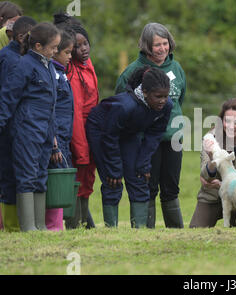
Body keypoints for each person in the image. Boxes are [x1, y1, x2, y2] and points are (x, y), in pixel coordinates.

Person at [115, 23, 186, 229]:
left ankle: (176, 231)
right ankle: (146, 231)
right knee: (148, 187)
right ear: (146, 46)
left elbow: (180, 98)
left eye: (165, 43)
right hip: (145, 140)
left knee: (171, 187)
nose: (162, 48)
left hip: (174, 137)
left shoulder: (177, 68)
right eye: (157, 45)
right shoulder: (133, 72)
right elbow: (121, 103)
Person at [86, 66, 172, 228]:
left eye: (165, 96)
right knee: (113, 180)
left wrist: (144, 163)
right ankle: (111, 229)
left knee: (139, 177)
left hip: (128, 133)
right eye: (158, 96)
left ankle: (138, 229)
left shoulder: (166, 106)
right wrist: (114, 168)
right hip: (102, 131)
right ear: (145, 92)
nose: (162, 100)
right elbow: (109, 137)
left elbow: (154, 135)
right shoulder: (125, 106)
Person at [0, 22, 61, 232]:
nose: (56, 51)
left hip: (45, 130)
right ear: (37, 46)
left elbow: (52, 103)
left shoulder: (49, 66)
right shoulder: (24, 65)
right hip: (26, 129)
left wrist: (53, 137)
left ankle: (40, 225)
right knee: (27, 174)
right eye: (53, 47)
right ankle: (28, 226)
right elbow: (8, 98)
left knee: (41, 175)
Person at [189, 98, 236, 228]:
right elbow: (205, 177)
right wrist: (211, 158)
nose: (231, 126)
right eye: (227, 121)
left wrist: (223, 185)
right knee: (195, 231)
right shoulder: (210, 138)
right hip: (212, 195)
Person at [0, 15, 37, 232]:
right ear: (23, 37)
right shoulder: (11, 60)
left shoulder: (19, 57)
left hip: (19, 126)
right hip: (9, 127)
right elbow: (8, 98)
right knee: (9, 176)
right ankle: (12, 228)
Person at [66, 22, 99, 229]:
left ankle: (86, 223)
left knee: (87, 178)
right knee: (77, 178)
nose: (84, 49)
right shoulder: (72, 71)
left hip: (91, 129)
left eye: (85, 43)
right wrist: (81, 147)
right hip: (79, 132)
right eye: (78, 46)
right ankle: (74, 225)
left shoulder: (88, 64)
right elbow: (76, 112)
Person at [45, 27, 76, 232]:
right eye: (67, 52)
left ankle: (58, 224)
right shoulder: (53, 75)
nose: (70, 57)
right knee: (55, 180)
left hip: (64, 137)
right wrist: (54, 139)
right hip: (55, 139)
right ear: (54, 51)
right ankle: (52, 226)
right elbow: (51, 109)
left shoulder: (62, 74)